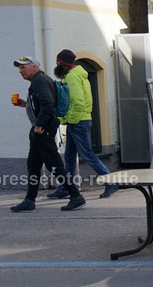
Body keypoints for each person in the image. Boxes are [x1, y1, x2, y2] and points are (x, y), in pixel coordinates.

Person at [9, 56, 86, 212]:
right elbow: (41, 102)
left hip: (43, 129)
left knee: (54, 164)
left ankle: (76, 196)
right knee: (33, 164)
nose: (20, 71)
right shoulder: (39, 81)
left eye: (23, 67)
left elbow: (48, 103)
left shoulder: (39, 81)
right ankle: (29, 201)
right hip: (40, 129)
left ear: (34, 67)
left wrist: (40, 124)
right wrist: (26, 104)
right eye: (19, 68)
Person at [46, 49, 118, 200]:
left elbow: (77, 101)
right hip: (79, 120)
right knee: (69, 156)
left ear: (62, 63)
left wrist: (68, 119)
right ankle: (66, 188)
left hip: (77, 121)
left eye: (57, 62)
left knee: (87, 155)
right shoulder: (79, 74)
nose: (56, 65)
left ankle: (110, 181)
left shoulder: (72, 76)